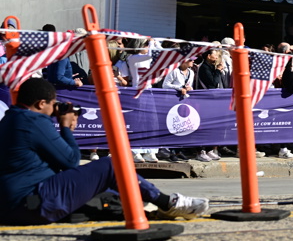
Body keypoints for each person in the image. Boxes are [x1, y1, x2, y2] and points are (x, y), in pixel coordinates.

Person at [0, 78, 209, 225]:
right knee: (109, 166)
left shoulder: (11, 119)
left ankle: (147, 206)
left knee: (107, 191)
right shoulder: (33, 121)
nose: (55, 109)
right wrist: (66, 127)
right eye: (53, 104)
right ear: (41, 103)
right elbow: (71, 161)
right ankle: (167, 202)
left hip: (13, 207)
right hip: (32, 201)